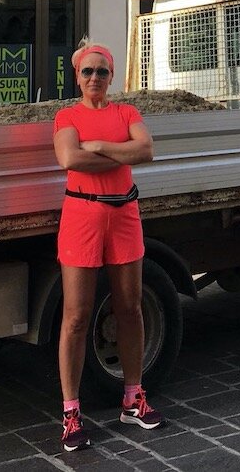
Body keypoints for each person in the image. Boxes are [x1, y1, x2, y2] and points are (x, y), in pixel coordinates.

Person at [52, 39, 164, 452]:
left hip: (124, 216)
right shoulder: (67, 115)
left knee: (131, 308)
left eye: (102, 71)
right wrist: (121, 155)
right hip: (82, 216)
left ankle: (133, 398)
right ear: (77, 76)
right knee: (77, 318)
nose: (95, 77)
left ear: (112, 75)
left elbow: (147, 150)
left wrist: (98, 147)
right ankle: (71, 413)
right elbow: (70, 160)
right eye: (88, 71)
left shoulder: (126, 112)